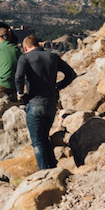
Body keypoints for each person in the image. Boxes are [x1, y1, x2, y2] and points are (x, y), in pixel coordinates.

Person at [15, 34, 76, 171]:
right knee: (45, 137)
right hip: (51, 103)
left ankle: (44, 172)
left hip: (34, 102)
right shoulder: (53, 56)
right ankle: (53, 168)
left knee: (37, 141)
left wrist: (20, 94)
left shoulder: (25, 58)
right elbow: (71, 74)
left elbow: (19, 77)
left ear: (25, 47)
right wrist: (58, 86)